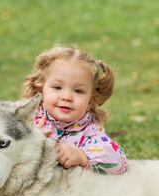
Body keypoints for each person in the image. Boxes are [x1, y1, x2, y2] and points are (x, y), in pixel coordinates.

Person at [22, 46, 127, 175]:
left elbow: (119, 162)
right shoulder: (26, 119)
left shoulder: (89, 131)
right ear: (40, 91)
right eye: (57, 87)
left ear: (90, 101)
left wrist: (82, 156)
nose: (67, 97)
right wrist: (32, 140)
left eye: (78, 91)